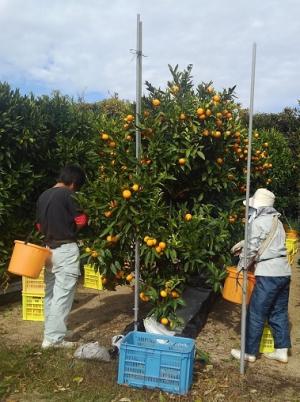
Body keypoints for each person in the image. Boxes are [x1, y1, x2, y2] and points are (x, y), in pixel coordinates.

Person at [230, 188, 291, 363]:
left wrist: (241, 266)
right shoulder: (276, 221)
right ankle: (281, 350)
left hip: (269, 274)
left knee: (256, 312)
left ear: (257, 207)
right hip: (283, 272)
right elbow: (266, 241)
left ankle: (249, 352)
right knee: (278, 311)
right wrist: (243, 243)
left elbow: (251, 248)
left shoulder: (257, 222)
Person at [36, 165, 88, 349]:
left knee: (50, 293)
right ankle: (54, 339)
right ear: (73, 183)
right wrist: (75, 228)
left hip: (48, 250)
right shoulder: (68, 195)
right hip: (65, 248)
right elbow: (81, 220)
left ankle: (50, 332)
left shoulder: (44, 195)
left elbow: (39, 227)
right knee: (63, 294)